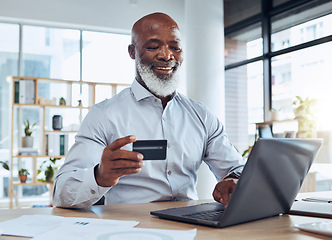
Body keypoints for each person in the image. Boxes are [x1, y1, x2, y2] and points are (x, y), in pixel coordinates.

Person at [53, 12, 244, 208]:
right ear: (132, 51)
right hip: (130, 230)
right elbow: (61, 193)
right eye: (153, 47)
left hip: (190, 227)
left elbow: (237, 168)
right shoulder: (104, 115)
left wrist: (235, 180)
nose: (166, 55)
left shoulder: (201, 116)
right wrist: (100, 176)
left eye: (175, 47)